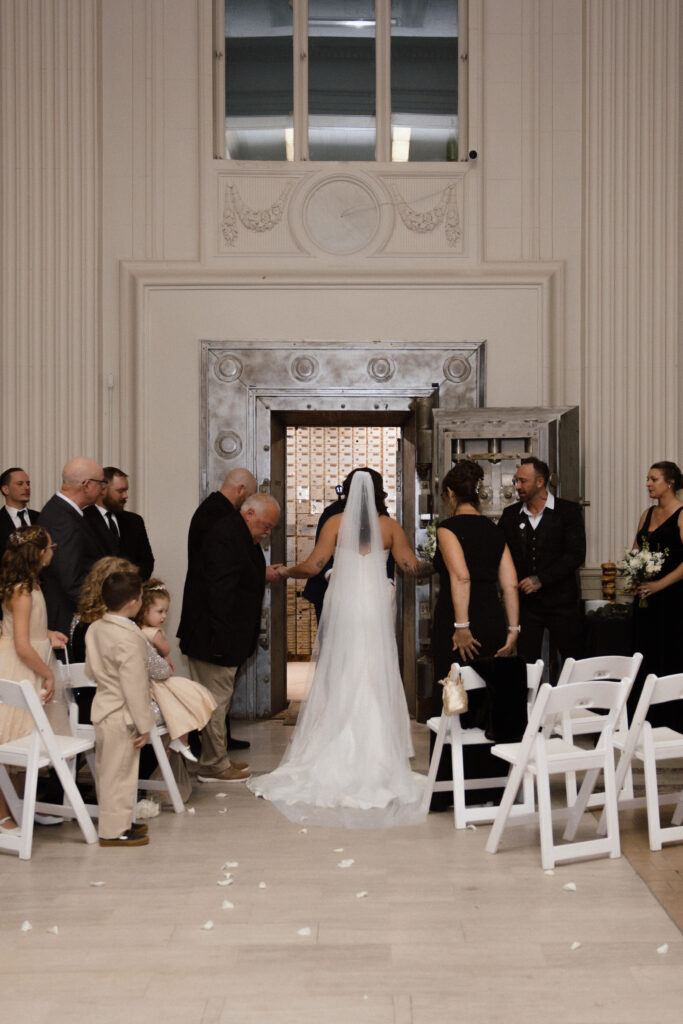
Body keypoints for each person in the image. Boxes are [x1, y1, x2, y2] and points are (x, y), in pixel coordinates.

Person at [248, 469, 432, 828]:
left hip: (345, 602)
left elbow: (315, 566)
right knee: (374, 669)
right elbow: (411, 567)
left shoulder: (334, 523)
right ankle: (377, 752)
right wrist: (440, 561)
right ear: (380, 492)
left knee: (341, 668)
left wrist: (287, 573)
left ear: (345, 492)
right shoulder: (390, 527)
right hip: (376, 605)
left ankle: (336, 740)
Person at [430, 460, 525, 811]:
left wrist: (461, 626)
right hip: (494, 619)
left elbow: (461, 577)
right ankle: (492, 783)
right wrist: (513, 629)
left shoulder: (448, 528)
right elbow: (510, 583)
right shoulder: (494, 528)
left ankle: (456, 786)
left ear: (450, 493)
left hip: (460, 621)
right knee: (488, 695)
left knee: (455, 695)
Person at [178, 492, 281, 783]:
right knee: (215, 702)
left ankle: (216, 760)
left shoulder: (240, 533)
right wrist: (222, 640)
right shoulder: (225, 535)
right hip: (213, 637)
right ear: (249, 513)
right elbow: (219, 592)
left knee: (217, 700)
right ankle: (214, 765)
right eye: (266, 524)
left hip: (225, 635)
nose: (267, 531)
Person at [177, 467, 261, 753]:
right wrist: (222, 633)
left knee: (218, 693)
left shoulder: (217, 511)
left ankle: (219, 745)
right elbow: (219, 580)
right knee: (214, 695)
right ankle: (213, 753)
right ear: (240, 490)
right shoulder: (219, 517)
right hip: (212, 626)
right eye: (248, 497)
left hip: (217, 623)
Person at [0, 526, 68, 834]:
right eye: (51, 547)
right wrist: (47, 672)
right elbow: (22, 645)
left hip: (30, 663)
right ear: (40, 553)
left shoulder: (31, 586)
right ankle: (3, 815)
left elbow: (29, 633)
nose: (53, 551)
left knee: (25, 745)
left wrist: (48, 634)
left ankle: (20, 806)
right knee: (10, 742)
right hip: (20, 668)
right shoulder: (23, 591)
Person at [499, 456, 586, 680]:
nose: (517, 486)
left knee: (571, 662)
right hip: (526, 607)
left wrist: (541, 579)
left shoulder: (568, 511)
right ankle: (529, 711)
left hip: (563, 603)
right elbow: (500, 554)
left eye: (523, 481)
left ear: (540, 482)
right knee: (527, 665)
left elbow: (576, 555)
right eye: (516, 481)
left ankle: (574, 710)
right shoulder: (510, 516)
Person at [85, 570, 153, 847]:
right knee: (120, 773)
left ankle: (121, 820)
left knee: (111, 770)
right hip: (122, 713)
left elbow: (90, 669)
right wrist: (145, 724)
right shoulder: (129, 637)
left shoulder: (96, 627)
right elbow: (135, 686)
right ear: (132, 603)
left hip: (103, 708)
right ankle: (113, 831)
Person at [135, 578, 216, 762]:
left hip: (150, 679)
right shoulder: (152, 633)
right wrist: (163, 651)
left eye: (166, 612)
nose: (163, 616)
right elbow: (166, 649)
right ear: (144, 610)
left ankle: (181, 740)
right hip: (154, 682)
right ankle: (181, 740)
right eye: (159, 611)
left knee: (181, 704)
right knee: (186, 700)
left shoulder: (138, 630)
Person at [629, 460, 683, 728]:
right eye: (647, 479)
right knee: (644, 653)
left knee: (669, 653)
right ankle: (643, 718)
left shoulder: (682, 514)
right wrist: (634, 575)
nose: (648, 484)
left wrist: (661, 584)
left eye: (654, 479)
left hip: (673, 599)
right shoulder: (647, 513)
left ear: (670, 482)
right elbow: (636, 549)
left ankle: (671, 719)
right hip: (645, 597)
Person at [302, 471, 396, 623]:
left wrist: (387, 580)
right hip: (331, 589)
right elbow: (322, 550)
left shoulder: (383, 515)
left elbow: (387, 551)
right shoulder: (332, 513)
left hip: (373, 592)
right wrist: (334, 576)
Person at [38, 457, 107, 637]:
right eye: (101, 483)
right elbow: (71, 579)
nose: (102, 489)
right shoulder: (63, 519)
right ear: (86, 484)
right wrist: (105, 613)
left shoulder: (63, 511)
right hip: (67, 619)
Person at [101, 466, 155, 580]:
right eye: (120, 491)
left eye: (126, 490)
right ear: (103, 490)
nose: (125, 496)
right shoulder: (84, 519)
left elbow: (147, 560)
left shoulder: (135, 521)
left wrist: (130, 584)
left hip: (132, 591)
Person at [0, 467, 39, 560]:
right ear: (5, 489)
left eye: (28, 483)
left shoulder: (40, 517)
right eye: (20, 484)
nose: (26, 487)